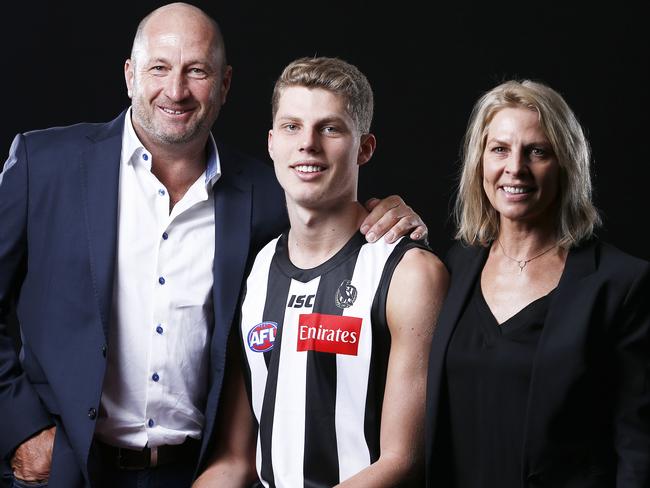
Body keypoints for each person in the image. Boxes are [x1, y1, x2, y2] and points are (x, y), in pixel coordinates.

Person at [0, 4, 429, 488]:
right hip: (62, 469)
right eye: (159, 68)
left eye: (197, 71)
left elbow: (330, 225)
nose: (176, 91)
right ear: (129, 75)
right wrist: (22, 433)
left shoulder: (268, 197)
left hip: (195, 472)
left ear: (224, 85)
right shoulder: (45, 167)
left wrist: (391, 214)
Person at [193, 57, 449, 487]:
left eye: (330, 128)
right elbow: (237, 460)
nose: (307, 144)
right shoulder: (255, 273)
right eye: (292, 127)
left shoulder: (408, 273)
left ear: (364, 148)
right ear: (272, 143)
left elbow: (403, 461)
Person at [425, 79, 650, 487]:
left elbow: (639, 447)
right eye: (499, 149)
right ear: (480, 162)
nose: (515, 168)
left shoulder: (621, 284)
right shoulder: (453, 266)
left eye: (537, 152)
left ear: (566, 163)